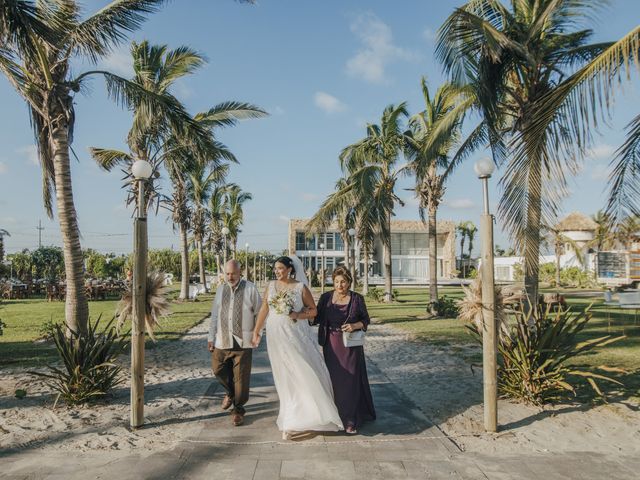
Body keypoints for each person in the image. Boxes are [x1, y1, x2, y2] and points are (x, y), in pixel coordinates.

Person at [251, 255, 343, 439]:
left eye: (280, 268)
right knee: (283, 375)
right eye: (275, 269)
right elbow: (264, 309)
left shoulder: (300, 287)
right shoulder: (271, 286)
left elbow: (314, 311)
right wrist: (256, 330)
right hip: (275, 336)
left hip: (294, 336)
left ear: (290, 269)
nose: (277, 272)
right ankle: (290, 417)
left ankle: (303, 417)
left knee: (300, 371)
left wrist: (296, 314)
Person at [315, 266, 375, 434]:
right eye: (336, 282)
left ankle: (350, 420)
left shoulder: (357, 299)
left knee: (350, 382)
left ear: (349, 283)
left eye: (343, 282)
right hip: (331, 346)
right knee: (334, 382)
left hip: (350, 347)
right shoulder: (326, 297)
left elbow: (366, 320)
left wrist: (354, 325)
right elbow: (316, 318)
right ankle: (335, 417)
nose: (339, 285)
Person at [208, 259, 262, 427]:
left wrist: (257, 333)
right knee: (217, 369)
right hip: (222, 339)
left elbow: (259, 314)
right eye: (228, 273)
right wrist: (211, 337)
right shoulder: (220, 289)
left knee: (241, 379)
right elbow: (215, 315)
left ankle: (238, 410)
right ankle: (230, 394)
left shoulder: (250, 288)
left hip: (243, 342)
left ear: (240, 273)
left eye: (233, 273)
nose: (230, 277)